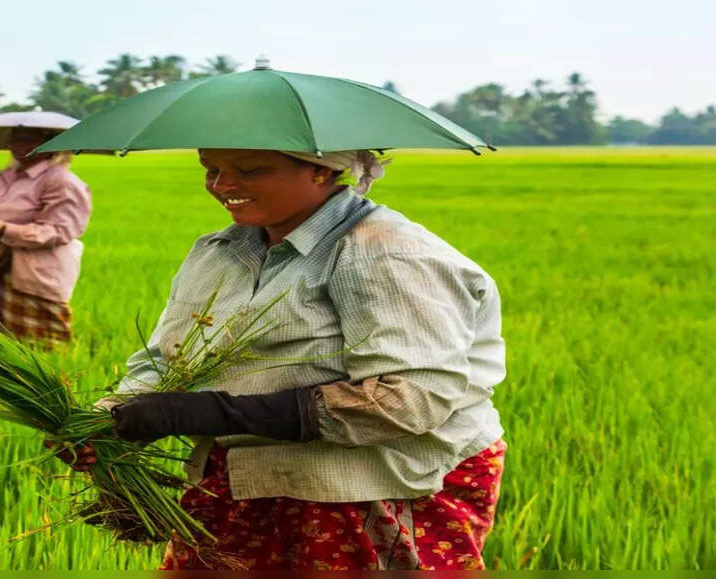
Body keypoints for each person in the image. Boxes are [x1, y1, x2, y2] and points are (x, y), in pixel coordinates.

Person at [58, 149, 506, 571]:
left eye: (250, 169)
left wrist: (206, 412)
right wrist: (109, 419)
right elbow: (166, 358)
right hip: (243, 475)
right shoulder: (220, 251)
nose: (221, 184)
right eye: (210, 168)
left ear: (321, 169)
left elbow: (409, 400)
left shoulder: (383, 252)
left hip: (374, 483)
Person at [0, 127, 91, 344]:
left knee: (42, 344)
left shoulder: (61, 181)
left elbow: (60, 229)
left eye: (28, 140)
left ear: (49, 144)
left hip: (36, 271)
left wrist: (0, 228)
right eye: (14, 140)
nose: (19, 146)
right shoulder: (3, 177)